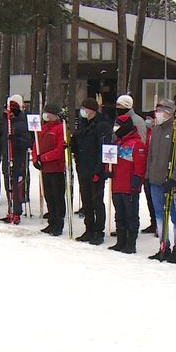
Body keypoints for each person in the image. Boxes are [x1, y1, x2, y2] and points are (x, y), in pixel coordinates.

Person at [146, 99, 176, 264]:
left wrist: (174, 177)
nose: (158, 114)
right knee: (159, 215)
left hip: (170, 181)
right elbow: (150, 155)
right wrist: (148, 174)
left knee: (175, 216)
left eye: (162, 111)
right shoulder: (155, 130)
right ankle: (164, 245)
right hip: (155, 180)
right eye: (157, 111)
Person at [71, 97, 112, 244]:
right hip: (83, 168)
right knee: (86, 201)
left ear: (92, 110)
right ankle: (89, 229)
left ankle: (98, 231)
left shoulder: (102, 126)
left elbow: (104, 150)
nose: (82, 111)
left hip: (95, 169)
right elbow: (77, 144)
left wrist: (99, 170)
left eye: (85, 108)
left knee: (97, 202)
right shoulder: (82, 125)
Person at [109, 114, 147, 253]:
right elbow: (111, 162)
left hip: (129, 187)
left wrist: (136, 183)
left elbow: (140, 167)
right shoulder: (117, 143)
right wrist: (109, 170)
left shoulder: (137, 144)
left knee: (130, 215)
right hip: (117, 185)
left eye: (118, 126)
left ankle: (131, 243)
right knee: (119, 215)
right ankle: (120, 241)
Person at [33, 103, 67, 236]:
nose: (46, 115)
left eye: (49, 113)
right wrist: (36, 159)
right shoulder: (42, 129)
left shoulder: (60, 129)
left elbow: (59, 150)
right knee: (49, 197)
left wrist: (44, 158)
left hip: (56, 169)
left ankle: (58, 223)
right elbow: (35, 145)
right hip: (45, 169)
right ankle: (51, 221)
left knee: (57, 197)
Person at [0, 95, 32, 223]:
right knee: (8, 183)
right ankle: (10, 208)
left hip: (18, 158)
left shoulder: (22, 123)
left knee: (17, 184)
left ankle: (17, 211)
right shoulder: (7, 123)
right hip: (7, 156)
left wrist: (15, 140)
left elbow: (27, 141)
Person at [140, 112, 157, 235]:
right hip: (144, 169)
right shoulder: (145, 132)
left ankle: (158, 223)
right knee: (148, 197)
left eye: (150, 119)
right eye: (146, 119)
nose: (148, 121)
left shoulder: (156, 133)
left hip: (154, 169)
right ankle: (153, 222)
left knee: (155, 198)